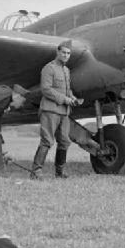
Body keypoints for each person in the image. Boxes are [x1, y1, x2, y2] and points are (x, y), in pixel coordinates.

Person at [30, 42, 83, 179]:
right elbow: (46, 89)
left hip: (64, 112)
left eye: (68, 53)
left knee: (65, 141)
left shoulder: (66, 70)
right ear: (58, 52)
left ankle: (59, 172)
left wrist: (72, 97)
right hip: (50, 110)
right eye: (63, 52)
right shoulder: (49, 68)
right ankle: (36, 171)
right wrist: (65, 100)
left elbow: (67, 89)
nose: (66, 55)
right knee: (47, 140)